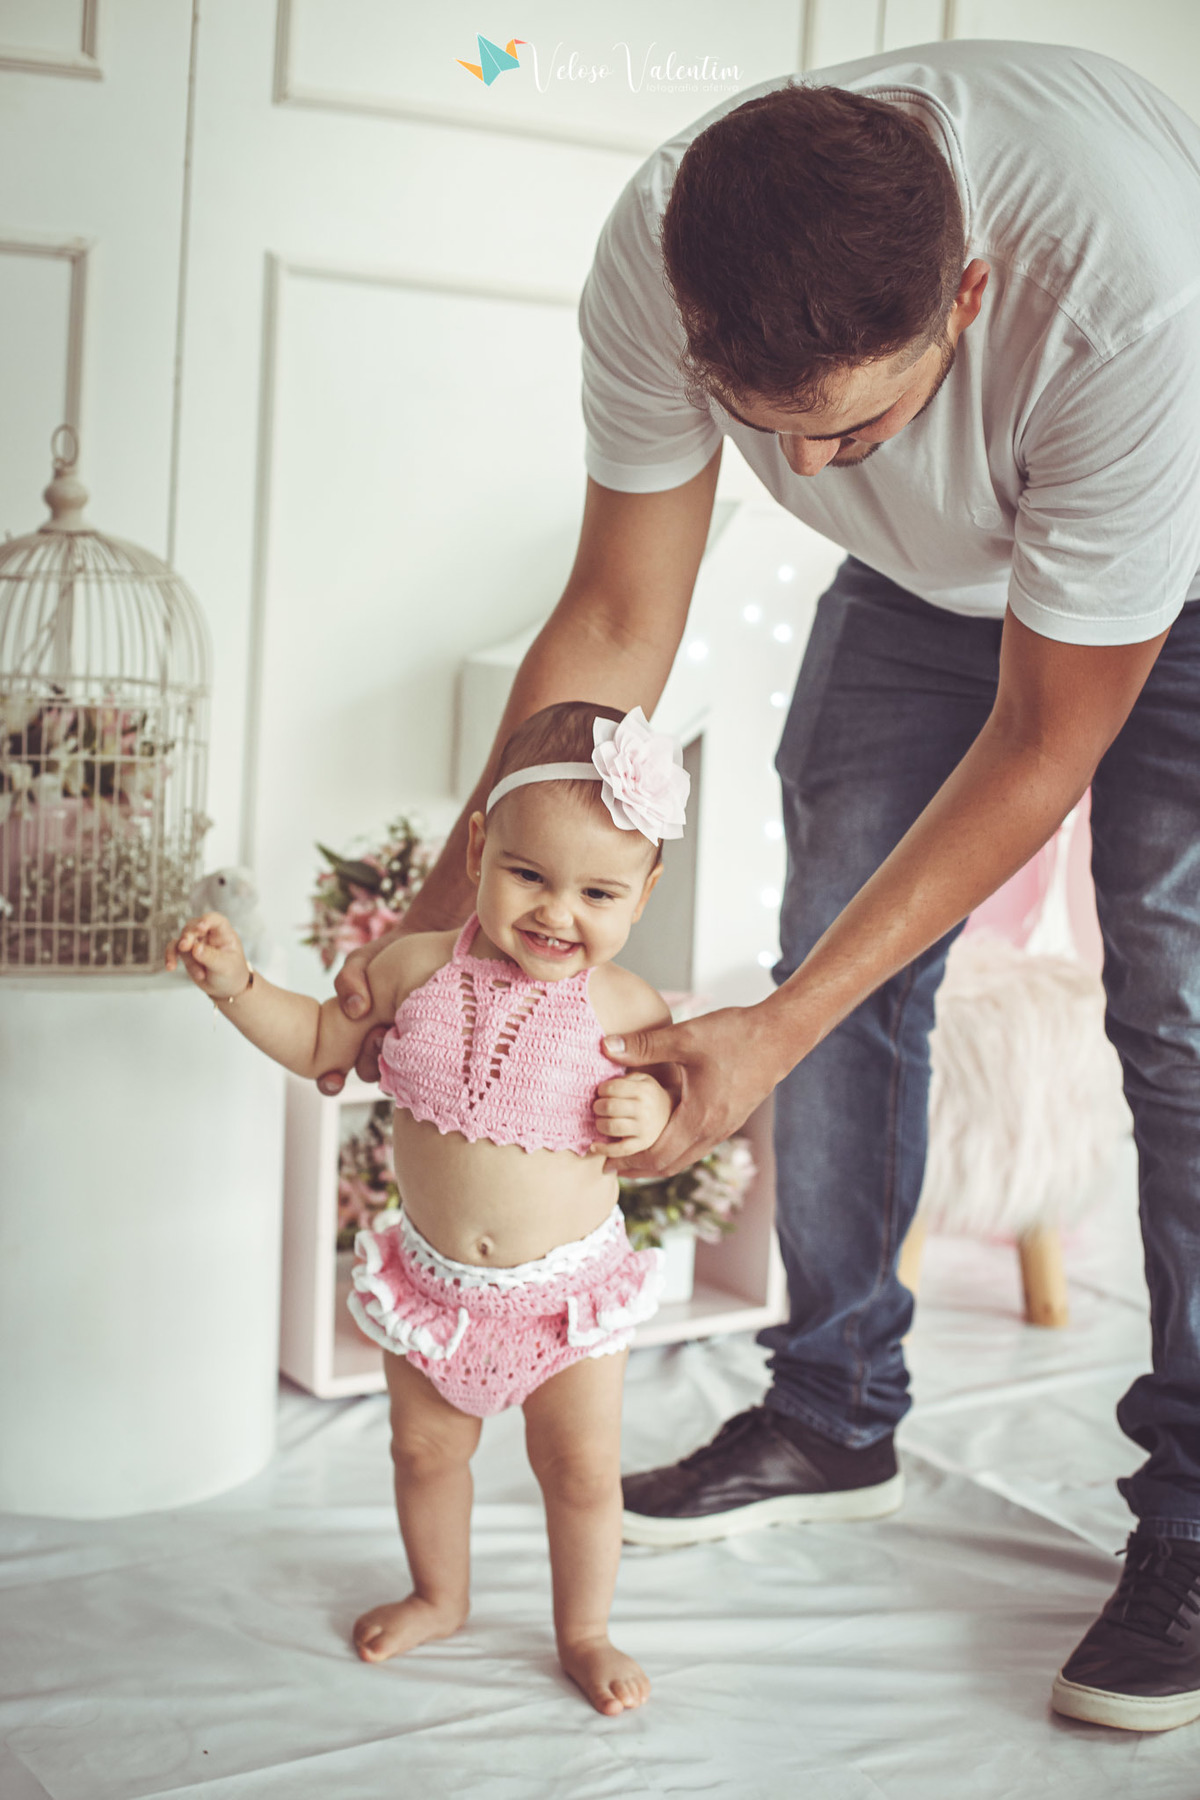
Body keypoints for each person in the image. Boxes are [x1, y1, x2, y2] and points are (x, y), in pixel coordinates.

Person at [322, 41, 1200, 1732]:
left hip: (1173, 559)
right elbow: (613, 624)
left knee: (1176, 1007)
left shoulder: (1127, 299)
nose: (804, 474)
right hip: (925, 591)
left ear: (972, 292)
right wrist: (435, 933)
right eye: (763, 431)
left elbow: (1041, 744)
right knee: (837, 943)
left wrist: (770, 1040)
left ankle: (1192, 1522)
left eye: (856, 426)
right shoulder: (670, 243)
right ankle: (833, 1405)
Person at [167, 701, 691, 1717]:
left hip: (565, 1300)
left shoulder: (629, 1009)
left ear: (644, 892)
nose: (557, 913)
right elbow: (322, 1041)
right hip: (438, 1287)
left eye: (598, 892)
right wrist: (237, 987)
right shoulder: (412, 969)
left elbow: (674, 1112)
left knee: (581, 1471)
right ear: (481, 846)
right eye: (529, 875)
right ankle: (438, 1594)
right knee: (424, 1452)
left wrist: (648, 1107)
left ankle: (584, 1629)